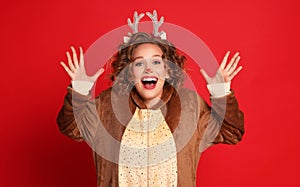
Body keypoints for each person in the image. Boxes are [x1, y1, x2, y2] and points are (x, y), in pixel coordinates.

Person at [57, 10, 244, 187]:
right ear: (129, 72)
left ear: (167, 68)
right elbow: (71, 127)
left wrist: (221, 92)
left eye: (156, 61)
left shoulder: (189, 106)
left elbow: (231, 132)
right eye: (139, 63)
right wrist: (80, 91)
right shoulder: (107, 105)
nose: (148, 69)